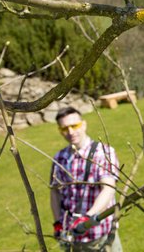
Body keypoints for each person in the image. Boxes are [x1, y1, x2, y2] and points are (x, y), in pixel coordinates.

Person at [50, 106, 122, 251]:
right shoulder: (60, 158)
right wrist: (58, 222)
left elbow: (108, 189)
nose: (70, 132)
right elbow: (55, 192)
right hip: (71, 237)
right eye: (64, 128)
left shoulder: (103, 152)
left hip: (101, 235)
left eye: (74, 126)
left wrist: (88, 218)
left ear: (84, 124)